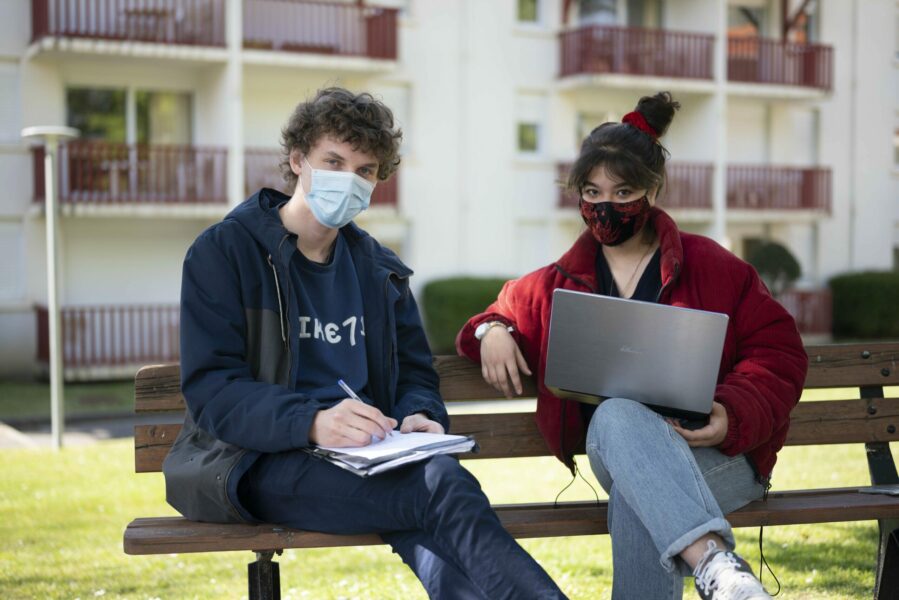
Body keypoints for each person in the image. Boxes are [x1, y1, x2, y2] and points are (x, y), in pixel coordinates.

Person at [163, 87, 566, 600]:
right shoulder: (225, 253)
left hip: (371, 457)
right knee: (438, 488)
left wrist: (422, 412)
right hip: (255, 460)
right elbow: (213, 390)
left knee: (432, 516)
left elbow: (416, 372)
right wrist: (311, 421)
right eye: (334, 161)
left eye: (365, 170)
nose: (349, 180)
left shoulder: (378, 270)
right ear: (297, 160)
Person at [456, 92, 808, 600]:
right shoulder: (558, 283)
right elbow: (494, 315)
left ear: (653, 189)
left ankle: (718, 570)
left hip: (722, 457)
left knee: (634, 500)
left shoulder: (716, 267)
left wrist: (732, 413)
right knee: (617, 416)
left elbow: (779, 353)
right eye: (592, 191)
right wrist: (492, 330)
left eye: (624, 192)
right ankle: (715, 565)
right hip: (618, 448)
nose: (606, 207)